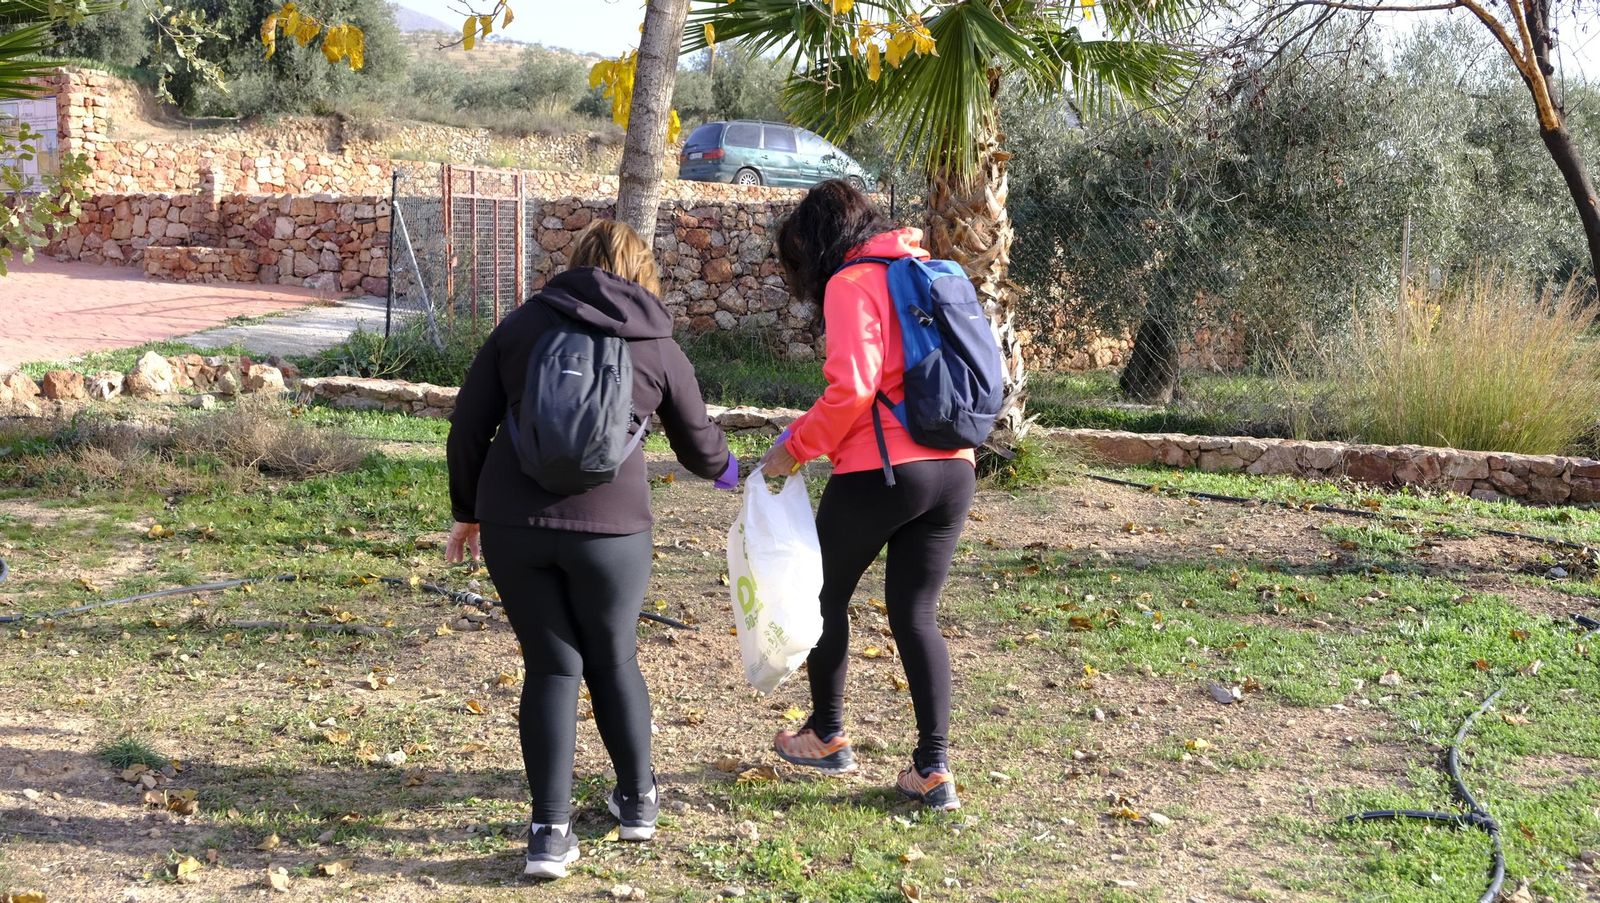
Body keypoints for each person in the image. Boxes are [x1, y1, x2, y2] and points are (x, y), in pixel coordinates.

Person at [445, 220, 738, 879]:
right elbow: (698, 441)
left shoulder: (522, 325)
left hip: (516, 526)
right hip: (614, 531)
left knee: (551, 667)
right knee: (614, 657)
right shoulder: (654, 339)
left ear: (576, 265)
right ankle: (637, 801)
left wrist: (468, 512)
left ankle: (549, 833)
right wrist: (731, 472)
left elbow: (468, 426)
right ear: (641, 270)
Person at [761, 180, 977, 812]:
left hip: (884, 468)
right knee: (916, 613)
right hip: (954, 467)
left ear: (818, 242)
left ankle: (827, 733)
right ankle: (932, 769)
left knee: (823, 595)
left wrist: (793, 448)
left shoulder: (851, 284)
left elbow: (852, 390)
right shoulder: (927, 269)